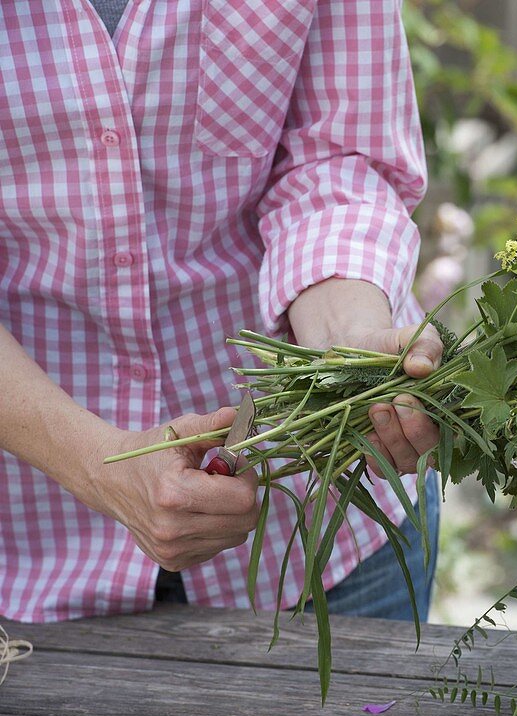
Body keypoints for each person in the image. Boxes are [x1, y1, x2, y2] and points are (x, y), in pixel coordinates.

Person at [0, 1, 442, 623]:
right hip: (30, 548)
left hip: (317, 520)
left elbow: (338, 160)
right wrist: (105, 469)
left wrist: (350, 347)